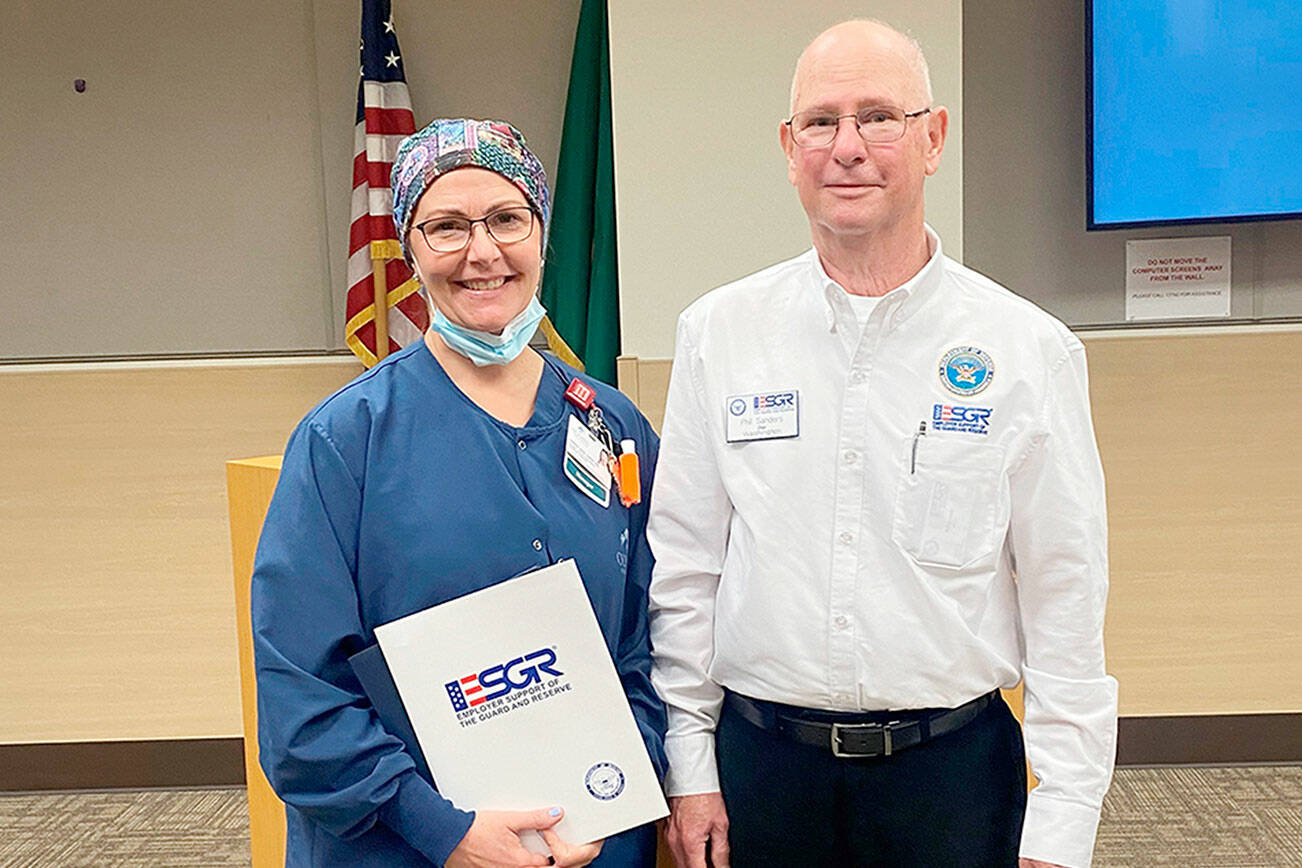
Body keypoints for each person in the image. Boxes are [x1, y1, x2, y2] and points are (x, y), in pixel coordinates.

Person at [647, 20, 1117, 868]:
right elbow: (684, 572)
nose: (848, 147)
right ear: (790, 149)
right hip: (761, 776)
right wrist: (689, 769)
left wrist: (1065, 817)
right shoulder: (720, 332)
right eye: (822, 122)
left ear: (933, 138)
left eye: (880, 117)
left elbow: (1066, 595)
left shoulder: (1027, 350)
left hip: (953, 782)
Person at [252, 118, 665, 868]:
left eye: (507, 219)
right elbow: (300, 691)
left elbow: (652, 634)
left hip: (593, 836)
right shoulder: (346, 440)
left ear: (542, 236)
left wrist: (622, 779)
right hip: (406, 846)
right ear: (410, 249)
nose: (483, 252)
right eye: (446, 226)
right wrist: (444, 831)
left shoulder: (612, 424)